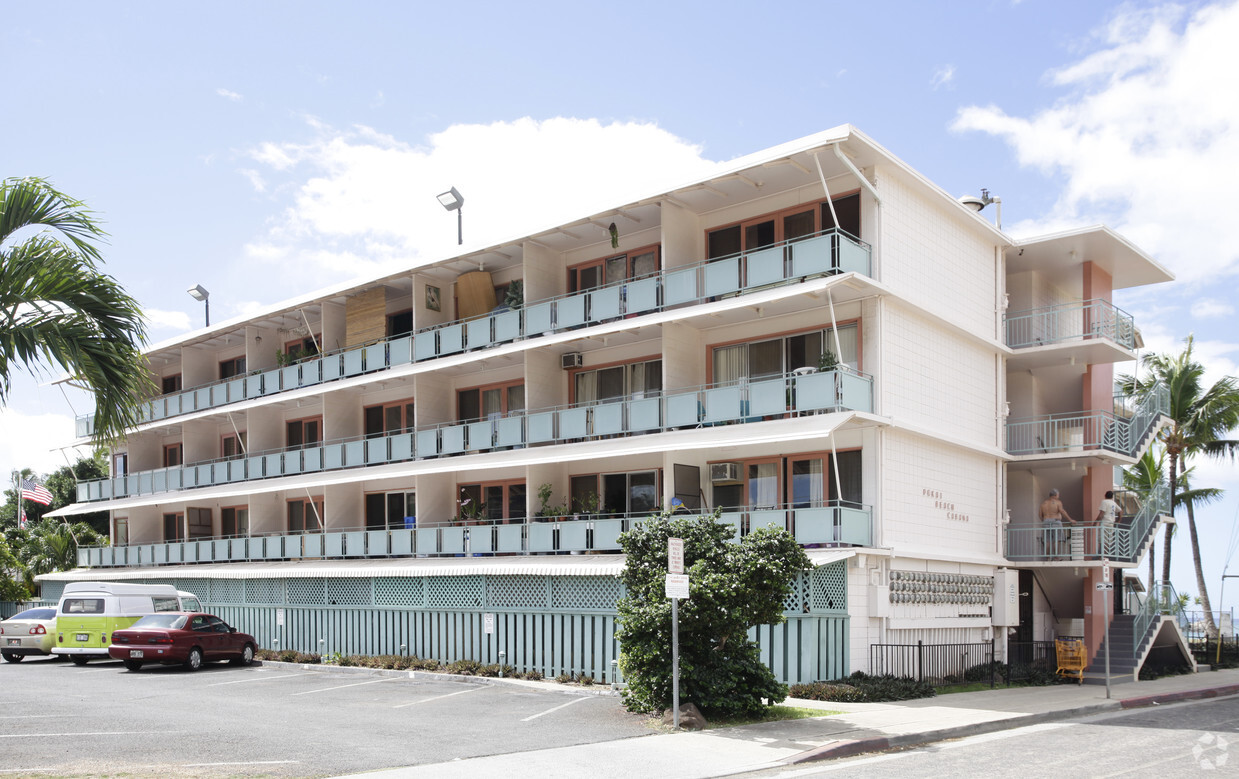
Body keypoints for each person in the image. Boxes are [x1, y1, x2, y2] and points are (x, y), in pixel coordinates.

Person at [1039, 489, 1074, 560]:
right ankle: (1056, 557)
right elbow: (1062, 511)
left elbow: (1040, 515)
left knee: (1047, 540)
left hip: (1046, 521)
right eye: (1058, 495)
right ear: (1055, 495)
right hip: (1055, 522)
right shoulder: (1058, 502)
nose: (1058, 496)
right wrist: (1070, 520)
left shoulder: (1043, 504)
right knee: (1056, 539)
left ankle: (1048, 557)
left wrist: (1045, 521)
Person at [1096, 490, 1119, 557]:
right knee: (1108, 540)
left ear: (1105, 495)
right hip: (1111, 523)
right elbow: (1120, 511)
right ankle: (1105, 555)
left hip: (1104, 523)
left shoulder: (1104, 502)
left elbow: (1101, 513)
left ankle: (1102, 556)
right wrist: (1118, 521)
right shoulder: (1113, 503)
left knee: (1102, 539)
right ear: (1112, 497)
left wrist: (1095, 523)